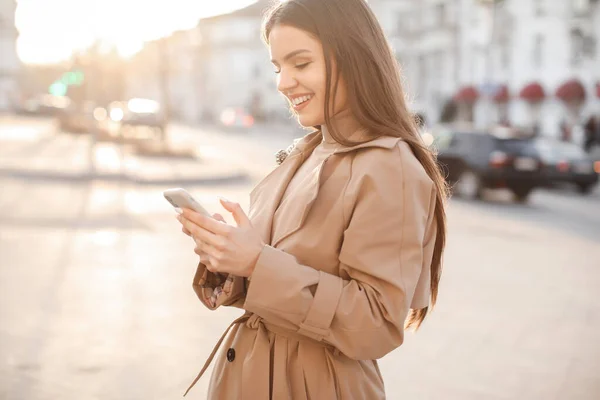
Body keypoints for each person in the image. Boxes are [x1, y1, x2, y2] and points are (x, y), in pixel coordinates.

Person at [175, 0, 448, 398]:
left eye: (300, 64)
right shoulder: (307, 152)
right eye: (277, 68)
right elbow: (277, 275)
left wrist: (256, 261)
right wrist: (229, 255)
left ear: (354, 58)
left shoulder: (390, 167)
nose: (283, 82)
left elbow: (376, 324)